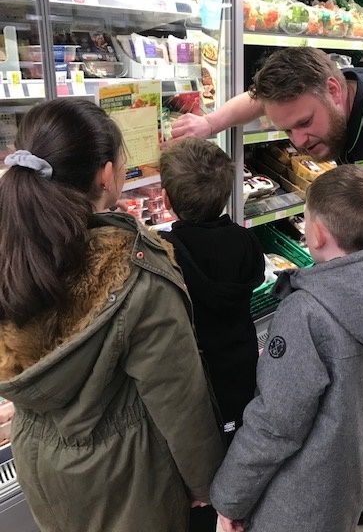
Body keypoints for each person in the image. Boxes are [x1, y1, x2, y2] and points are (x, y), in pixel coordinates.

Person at [171, 47, 363, 532]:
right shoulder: (332, 84)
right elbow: (262, 98)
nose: (297, 141)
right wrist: (209, 124)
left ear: (334, 91)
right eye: (287, 128)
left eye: (303, 124)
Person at [0, 98, 224, 532]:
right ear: (106, 175)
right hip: (127, 476)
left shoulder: (15, 254)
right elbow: (181, 404)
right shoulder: (136, 277)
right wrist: (208, 487)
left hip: (42, 464)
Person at [210, 164, 363, 532]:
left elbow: (275, 424)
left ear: (316, 234)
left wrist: (229, 499)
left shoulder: (305, 313)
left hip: (293, 504)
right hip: (349, 483)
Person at [159, 137, 265, 532]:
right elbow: (256, 274)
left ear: (168, 198)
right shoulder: (246, 241)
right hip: (239, 360)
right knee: (237, 435)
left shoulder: (165, 251)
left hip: (195, 370)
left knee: (204, 446)